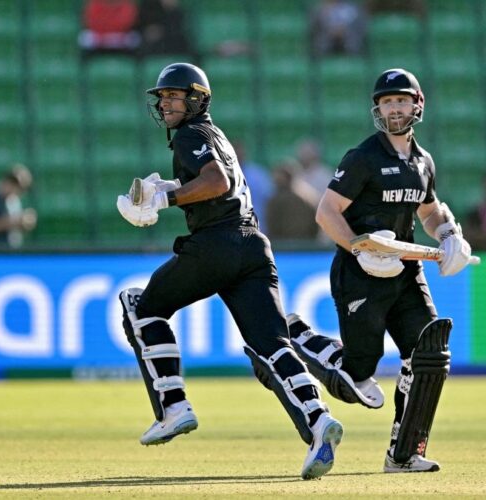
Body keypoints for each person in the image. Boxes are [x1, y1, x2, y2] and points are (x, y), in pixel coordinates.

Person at [115, 62, 343, 480]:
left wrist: (165, 201)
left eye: (173, 96)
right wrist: (164, 189)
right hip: (254, 245)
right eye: (162, 97)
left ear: (196, 99)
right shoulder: (214, 134)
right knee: (271, 346)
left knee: (140, 307)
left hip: (217, 244)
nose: (165, 103)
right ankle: (317, 420)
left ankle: (173, 406)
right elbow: (219, 183)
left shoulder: (190, 134)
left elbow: (216, 182)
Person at [285, 68, 474, 473]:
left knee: (429, 354)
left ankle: (403, 455)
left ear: (417, 104)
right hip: (360, 274)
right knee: (359, 374)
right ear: (378, 110)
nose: (394, 109)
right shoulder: (363, 158)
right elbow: (326, 212)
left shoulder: (423, 162)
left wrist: (447, 232)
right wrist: (356, 246)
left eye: (401, 100)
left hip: (405, 273)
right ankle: (297, 336)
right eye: (387, 102)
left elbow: (427, 209)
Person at [265, 158, 321, 243]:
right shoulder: (310, 196)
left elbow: (272, 227)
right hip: (307, 247)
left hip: (283, 248)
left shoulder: (276, 200)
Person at [0, 164, 37, 248]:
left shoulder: (14, 202)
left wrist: (24, 224)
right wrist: (14, 222)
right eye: (13, 183)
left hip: (10, 253)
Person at [234, 141, 273, 234]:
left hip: (258, 228)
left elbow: (269, 200)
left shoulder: (258, 175)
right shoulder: (220, 176)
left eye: (239, 151)